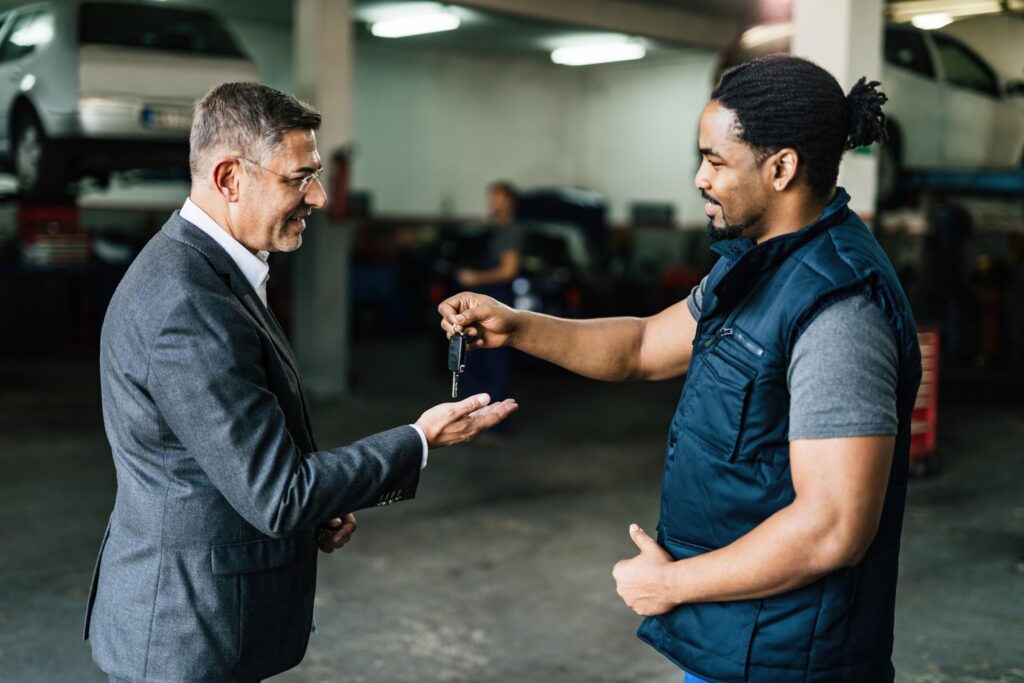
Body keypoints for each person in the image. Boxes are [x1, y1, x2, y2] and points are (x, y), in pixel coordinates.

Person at [440, 54, 920, 683]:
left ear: (781, 168)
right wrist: (520, 325)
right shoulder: (754, 267)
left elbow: (833, 527)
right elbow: (642, 346)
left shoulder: (838, 309)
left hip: (792, 659)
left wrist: (671, 583)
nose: (699, 178)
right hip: (734, 637)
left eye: (716, 161)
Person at [85, 82, 517, 683]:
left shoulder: (208, 270)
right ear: (230, 178)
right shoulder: (188, 303)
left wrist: (320, 508)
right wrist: (419, 440)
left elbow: (220, 457)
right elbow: (278, 495)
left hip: (196, 619)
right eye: (298, 177)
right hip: (183, 634)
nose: (317, 196)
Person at [454, 181, 525, 407]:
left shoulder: (512, 231)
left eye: (498, 197)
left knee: (495, 360)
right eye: (491, 197)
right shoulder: (495, 229)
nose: (492, 202)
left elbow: (509, 270)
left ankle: (496, 425)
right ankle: (474, 416)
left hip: (499, 300)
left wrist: (475, 279)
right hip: (486, 301)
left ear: (510, 201)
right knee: (476, 358)